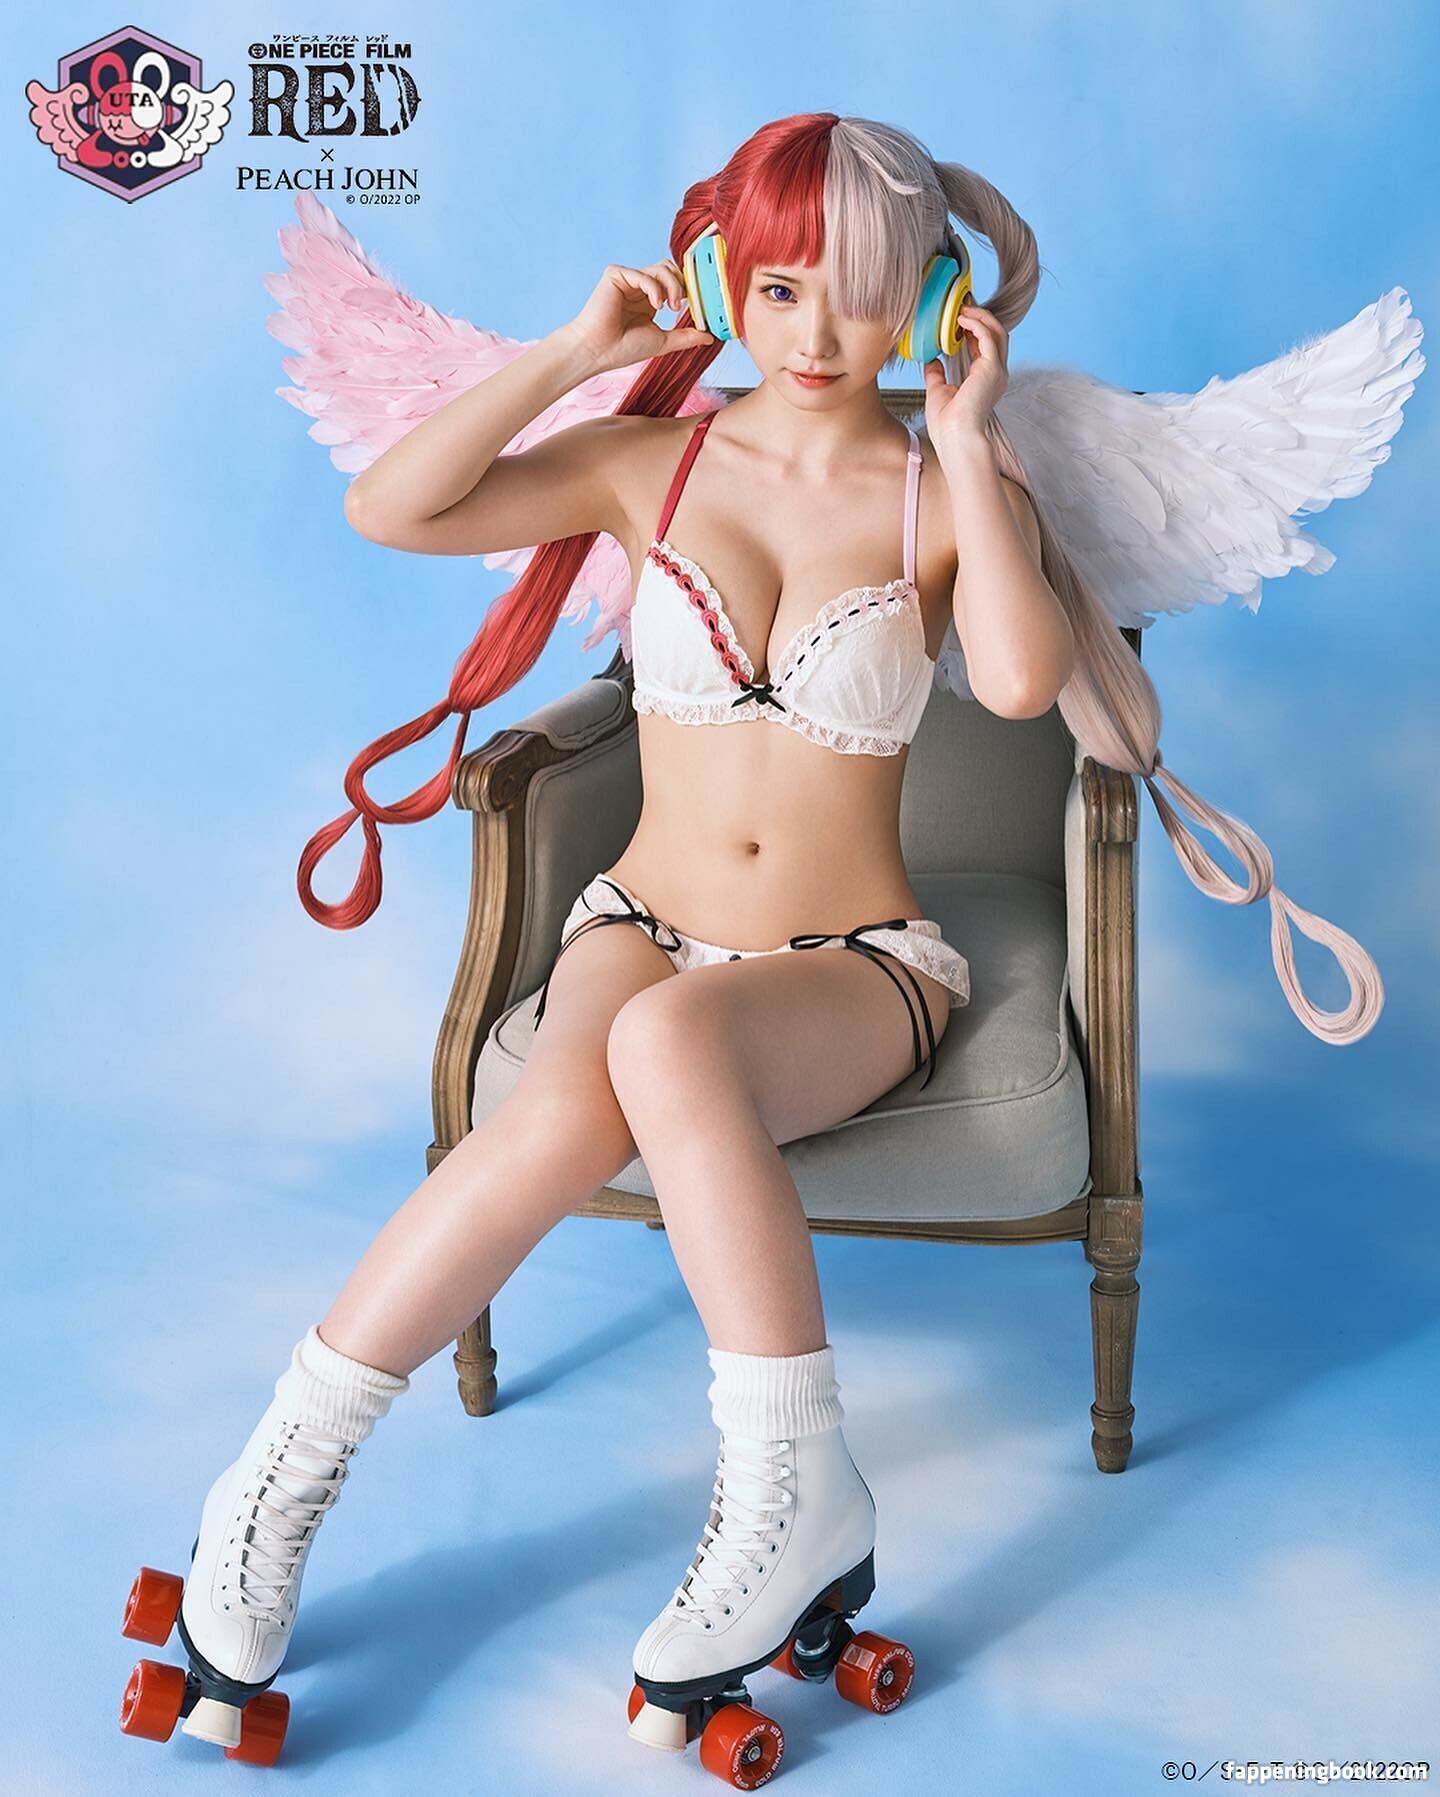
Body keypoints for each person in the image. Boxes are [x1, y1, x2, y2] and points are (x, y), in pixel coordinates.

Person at [126, 111, 1398, 1761]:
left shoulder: (937, 487)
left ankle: (789, 1487)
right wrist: (577, 355)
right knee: (562, 1105)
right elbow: (394, 504)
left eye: (863, 296)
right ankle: (275, 1482)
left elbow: (1024, 683)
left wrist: (971, 442)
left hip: (853, 965)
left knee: (654, 1043)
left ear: (931, 303)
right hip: (637, 920)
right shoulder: (650, 460)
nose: (814, 335)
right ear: (726, 283)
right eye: (781, 289)